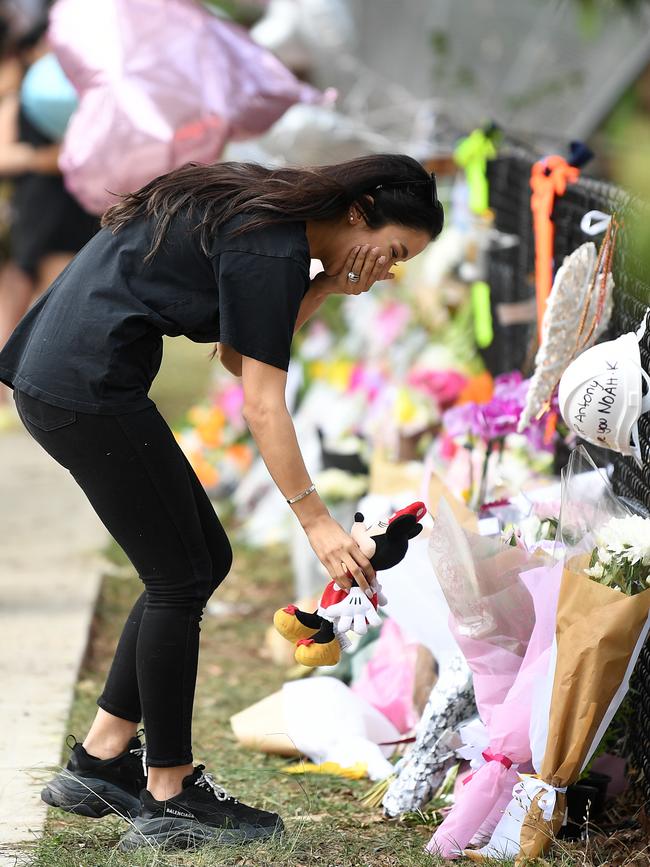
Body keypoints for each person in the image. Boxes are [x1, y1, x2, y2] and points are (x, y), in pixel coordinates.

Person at [0, 153, 443, 851]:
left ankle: (100, 759)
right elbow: (262, 403)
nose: (386, 270)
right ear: (359, 212)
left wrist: (326, 285)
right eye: (391, 252)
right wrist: (317, 521)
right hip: (84, 385)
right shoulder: (272, 244)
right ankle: (169, 791)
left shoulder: (276, 226)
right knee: (179, 575)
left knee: (199, 559)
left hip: (67, 376)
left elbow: (243, 356)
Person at [0, 17, 99, 417]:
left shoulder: (86, 86)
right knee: (29, 291)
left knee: (55, 291)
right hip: (39, 202)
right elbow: (4, 154)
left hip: (77, 201)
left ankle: (35, 381)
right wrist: (48, 159)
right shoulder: (20, 90)